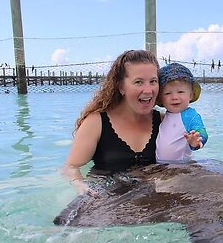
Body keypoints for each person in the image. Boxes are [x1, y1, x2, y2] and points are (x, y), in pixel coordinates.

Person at [62, 50, 161, 195]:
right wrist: (80, 185)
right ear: (121, 86)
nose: (148, 90)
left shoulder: (164, 121)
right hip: (107, 198)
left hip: (151, 197)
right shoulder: (96, 122)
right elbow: (70, 167)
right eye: (138, 82)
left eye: (153, 81)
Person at [155, 63, 208, 163]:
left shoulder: (190, 115)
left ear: (191, 95)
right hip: (160, 165)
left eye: (180, 92)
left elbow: (201, 131)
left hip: (181, 166)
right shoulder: (165, 115)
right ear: (160, 98)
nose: (174, 97)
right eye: (168, 93)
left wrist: (196, 141)